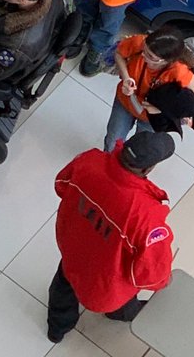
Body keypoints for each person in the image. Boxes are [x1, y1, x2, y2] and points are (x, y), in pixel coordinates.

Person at [47, 132, 176, 343]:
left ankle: (56, 330)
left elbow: (61, 184)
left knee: (63, 288)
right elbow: (149, 272)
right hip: (107, 283)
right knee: (121, 304)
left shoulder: (90, 160)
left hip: (73, 251)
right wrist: (163, 281)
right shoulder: (147, 215)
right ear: (147, 169)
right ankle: (117, 314)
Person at [104, 27, 194, 151]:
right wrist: (126, 77)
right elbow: (119, 54)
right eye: (144, 50)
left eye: (150, 56)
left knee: (139, 150)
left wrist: (161, 108)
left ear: (165, 60)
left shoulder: (178, 71)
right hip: (125, 102)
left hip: (152, 119)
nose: (143, 56)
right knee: (112, 140)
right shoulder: (140, 42)